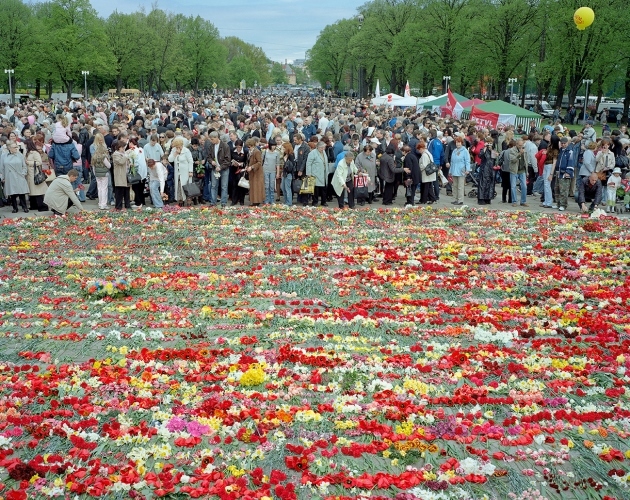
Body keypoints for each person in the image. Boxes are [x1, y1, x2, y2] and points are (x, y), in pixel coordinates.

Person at [0, 140, 30, 213]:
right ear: (9, 148)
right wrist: (2, 177)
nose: (16, 149)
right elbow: (2, 168)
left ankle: (24, 207)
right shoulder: (4, 156)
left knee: (21, 192)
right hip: (9, 176)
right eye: (14, 147)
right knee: (12, 193)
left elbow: (24, 166)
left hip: (19, 175)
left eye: (16, 147)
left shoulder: (19, 155)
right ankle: (15, 207)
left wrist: (23, 173)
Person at [206, 131, 231, 207]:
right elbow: (208, 157)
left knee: (224, 186)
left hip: (224, 169)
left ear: (217, 138)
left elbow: (228, 160)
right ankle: (213, 202)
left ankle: (223, 202)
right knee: (213, 186)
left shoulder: (225, 146)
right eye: (210, 139)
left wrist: (220, 167)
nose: (211, 141)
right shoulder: (211, 146)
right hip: (214, 168)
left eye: (212, 139)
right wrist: (211, 161)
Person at [168, 137, 194, 206]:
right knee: (179, 186)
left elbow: (190, 161)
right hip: (178, 172)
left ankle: (189, 201)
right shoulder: (174, 150)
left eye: (178, 146)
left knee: (186, 186)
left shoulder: (186, 151)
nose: (177, 147)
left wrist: (190, 171)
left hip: (186, 172)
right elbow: (170, 160)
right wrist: (175, 153)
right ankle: (180, 200)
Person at [24, 138, 48, 211]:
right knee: (31, 191)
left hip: (35, 173)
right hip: (29, 174)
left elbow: (39, 162)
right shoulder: (26, 152)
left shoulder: (35, 153)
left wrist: (29, 163)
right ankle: (33, 205)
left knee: (37, 191)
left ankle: (42, 206)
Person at [91, 134, 111, 210]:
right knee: (104, 188)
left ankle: (100, 203)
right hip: (104, 174)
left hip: (97, 174)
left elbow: (93, 166)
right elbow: (108, 166)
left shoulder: (94, 157)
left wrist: (95, 173)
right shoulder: (103, 157)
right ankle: (104, 204)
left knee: (99, 188)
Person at [305, 141, 328, 206]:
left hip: (323, 173)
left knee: (324, 188)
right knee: (316, 189)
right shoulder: (313, 153)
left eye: (324, 148)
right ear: (318, 147)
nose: (323, 149)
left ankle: (323, 201)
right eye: (322, 148)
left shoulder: (324, 152)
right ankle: (315, 202)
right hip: (315, 173)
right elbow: (308, 163)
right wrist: (308, 173)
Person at [555, 137, 575, 211]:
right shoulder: (560, 150)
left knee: (564, 190)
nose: (563, 145)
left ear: (567, 143)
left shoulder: (570, 151)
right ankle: (558, 204)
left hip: (565, 173)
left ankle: (563, 205)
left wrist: (568, 172)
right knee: (557, 189)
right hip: (558, 172)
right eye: (562, 143)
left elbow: (571, 162)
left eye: (564, 143)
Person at [449, 136, 470, 206]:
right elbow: (452, 161)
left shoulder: (465, 151)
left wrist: (467, 169)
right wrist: (450, 170)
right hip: (454, 170)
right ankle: (455, 199)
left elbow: (467, 161)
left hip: (461, 171)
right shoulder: (454, 151)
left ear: (462, 143)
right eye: (457, 142)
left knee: (460, 186)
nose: (457, 144)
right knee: (454, 186)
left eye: (459, 142)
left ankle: (460, 200)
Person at [111, 139, 131, 210]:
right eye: (123, 147)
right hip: (119, 175)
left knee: (126, 191)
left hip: (125, 175)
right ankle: (118, 206)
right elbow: (121, 162)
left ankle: (127, 205)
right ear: (119, 147)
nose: (124, 149)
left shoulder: (123, 154)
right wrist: (126, 155)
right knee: (119, 192)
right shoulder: (115, 154)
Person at [541, 136, 559, 208]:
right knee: (546, 184)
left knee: (547, 184)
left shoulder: (555, 150)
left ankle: (548, 202)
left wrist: (551, 174)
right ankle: (546, 201)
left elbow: (554, 162)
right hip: (547, 164)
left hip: (550, 165)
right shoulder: (550, 147)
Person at [245, 137, 263, 206]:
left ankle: (256, 201)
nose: (248, 148)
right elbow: (248, 161)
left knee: (256, 187)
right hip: (252, 172)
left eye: (249, 146)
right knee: (252, 187)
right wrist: (247, 166)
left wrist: (252, 167)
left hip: (257, 172)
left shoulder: (257, 151)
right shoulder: (250, 152)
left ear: (252, 145)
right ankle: (253, 201)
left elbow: (259, 162)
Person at [477, 138, 495, 205]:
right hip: (484, 169)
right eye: (488, 142)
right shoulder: (483, 150)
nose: (489, 144)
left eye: (490, 143)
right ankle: (481, 198)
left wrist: (492, 150)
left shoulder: (493, 150)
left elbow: (495, 158)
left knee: (490, 184)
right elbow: (480, 155)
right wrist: (485, 147)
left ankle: (488, 198)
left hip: (491, 169)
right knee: (483, 184)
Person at [261, 140, 281, 205]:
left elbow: (278, 164)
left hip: (273, 171)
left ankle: (272, 200)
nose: (274, 147)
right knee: (266, 185)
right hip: (265, 170)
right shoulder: (265, 152)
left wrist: (278, 173)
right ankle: (266, 199)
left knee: (272, 186)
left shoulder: (277, 153)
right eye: (272, 145)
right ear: (269, 145)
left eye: (275, 145)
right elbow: (261, 162)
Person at [231, 139, 248, 206]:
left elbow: (246, 161)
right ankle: (234, 200)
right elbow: (230, 159)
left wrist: (242, 164)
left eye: (239, 147)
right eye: (237, 147)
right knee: (234, 186)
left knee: (242, 186)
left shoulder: (245, 152)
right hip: (234, 170)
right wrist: (233, 163)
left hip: (242, 171)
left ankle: (242, 200)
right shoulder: (232, 151)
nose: (238, 149)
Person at [280, 142, 295, 206]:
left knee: (287, 188)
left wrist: (286, 161)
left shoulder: (291, 156)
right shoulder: (284, 155)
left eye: (283, 148)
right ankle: (286, 201)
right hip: (284, 173)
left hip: (289, 174)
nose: (282, 149)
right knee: (283, 187)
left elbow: (290, 167)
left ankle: (289, 202)